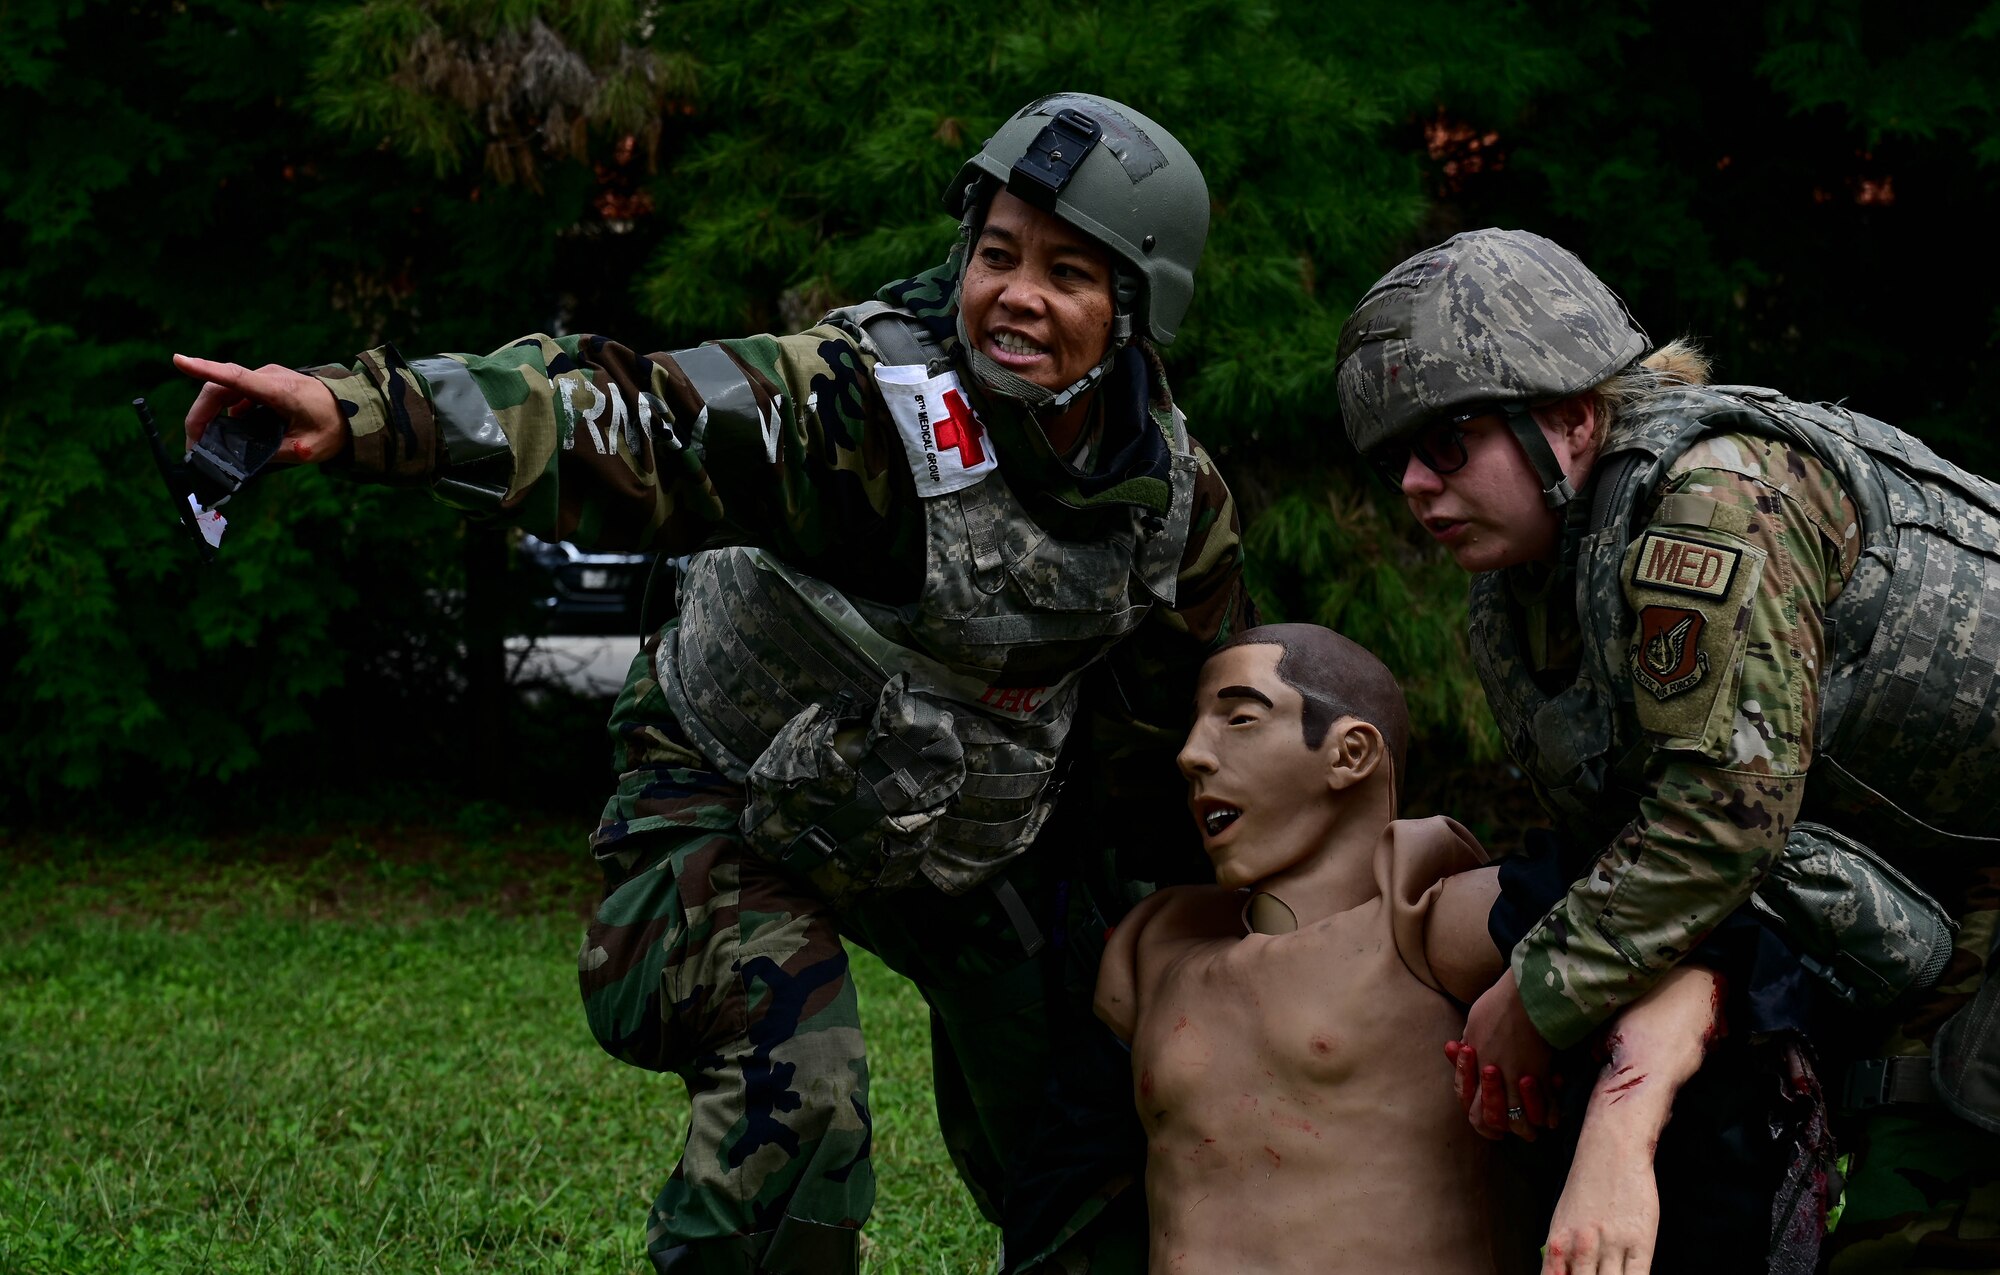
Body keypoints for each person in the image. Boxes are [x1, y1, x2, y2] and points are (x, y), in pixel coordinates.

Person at [173, 94, 1251, 1274]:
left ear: (1138, 310)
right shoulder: (856, 403)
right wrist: (361, 409)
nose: (1017, 296)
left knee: (1099, 1118)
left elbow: (1159, 756)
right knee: (801, 1097)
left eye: (1068, 274)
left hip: (953, 837)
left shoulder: (1169, 512)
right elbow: (626, 412)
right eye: (995, 255)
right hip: (719, 800)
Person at [1335, 228, 2000, 1268]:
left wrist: (1534, 991)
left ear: (1566, 416)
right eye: (1394, 460)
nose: (1415, 483)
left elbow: (1715, 821)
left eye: (1448, 439)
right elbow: (1636, 852)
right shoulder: (1521, 602)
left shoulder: (1714, 500)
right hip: (1926, 887)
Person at [1097, 622, 1732, 1275]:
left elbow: (1697, 928)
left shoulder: (1429, 923)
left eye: (1239, 718)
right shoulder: (1156, 951)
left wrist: (1622, 1127)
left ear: (1350, 753)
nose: (1191, 753)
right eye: (1197, 723)